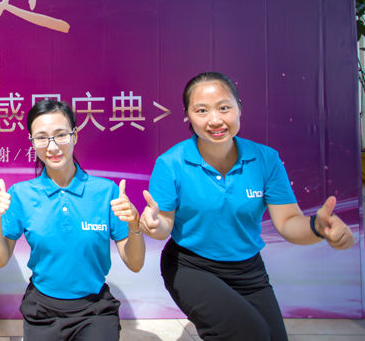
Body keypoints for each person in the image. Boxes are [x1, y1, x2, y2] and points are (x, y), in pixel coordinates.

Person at [139, 71, 356, 341]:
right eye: (202, 110)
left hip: (249, 270)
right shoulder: (171, 163)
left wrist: (317, 227)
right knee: (251, 335)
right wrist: (154, 224)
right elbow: (164, 225)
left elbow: (288, 222)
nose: (215, 120)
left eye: (224, 108)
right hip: (191, 266)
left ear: (239, 108)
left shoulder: (265, 159)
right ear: (188, 116)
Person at [0, 99, 145, 341]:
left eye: (61, 135)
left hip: (94, 309)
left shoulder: (106, 192)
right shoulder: (21, 194)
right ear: (32, 142)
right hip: (42, 310)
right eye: (41, 138)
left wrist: (134, 224)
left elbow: (134, 263)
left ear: (75, 135)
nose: (52, 146)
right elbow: (0, 260)